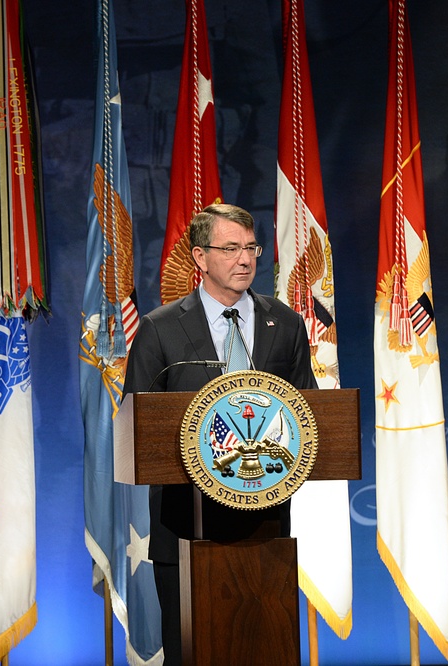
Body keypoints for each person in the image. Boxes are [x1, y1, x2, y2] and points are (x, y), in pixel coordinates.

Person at [122, 203, 316, 664]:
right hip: (185, 529)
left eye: (251, 247)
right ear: (200, 257)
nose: (245, 259)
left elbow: (308, 415)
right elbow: (136, 429)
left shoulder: (285, 324)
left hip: (265, 528)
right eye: (230, 248)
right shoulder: (159, 329)